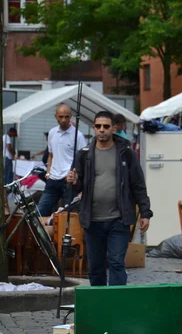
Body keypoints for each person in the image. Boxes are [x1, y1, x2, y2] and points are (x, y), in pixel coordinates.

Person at [67, 111, 152, 286]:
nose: (102, 130)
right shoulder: (84, 154)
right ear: (93, 128)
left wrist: (145, 212)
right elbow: (78, 185)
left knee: (116, 263)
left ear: (113, 128)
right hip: (92, 220)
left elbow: (138, 184)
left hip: (118, 220)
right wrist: (73, 182)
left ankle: (117, 304)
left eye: (106, 126)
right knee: (96, 267)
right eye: (98, 126)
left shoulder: (126, 153)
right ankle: (99, 306)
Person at [38, 104, 87, 216]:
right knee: (39, 212)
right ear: (55, 116)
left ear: (71, 117)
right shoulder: (52, 132)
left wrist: (75, 176)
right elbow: (50, 154)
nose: (64, 120)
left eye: (66, 116)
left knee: (68, 215)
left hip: (68, 181)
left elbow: (83, 160)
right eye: (61, 117)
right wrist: (48, 172)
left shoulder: (78, 135)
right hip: (52, 180)